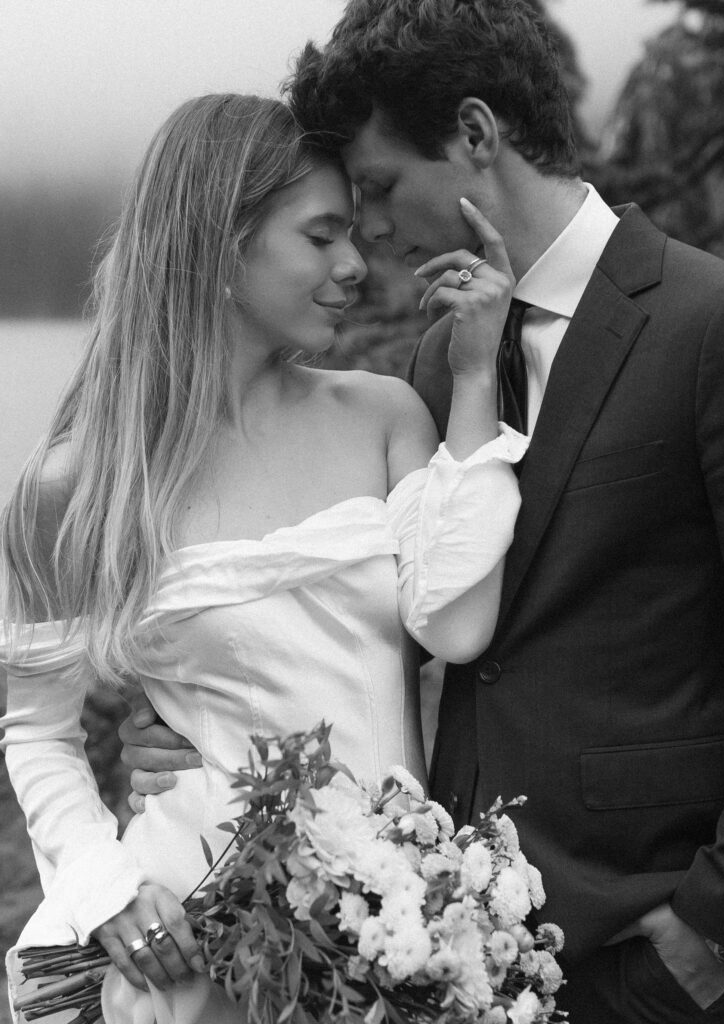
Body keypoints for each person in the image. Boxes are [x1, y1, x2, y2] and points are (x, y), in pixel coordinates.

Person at [120, 3, 724, 1021]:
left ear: (478, 134)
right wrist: (179, 710)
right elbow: (376, 626)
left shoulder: (708, 322)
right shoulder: (431, 368)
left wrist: (711, 928)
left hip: (656, 949)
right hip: (441, 951)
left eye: (377, 186)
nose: (367, 230)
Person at [0, 91, 528, 1024]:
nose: (355, 265)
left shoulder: (384, 415)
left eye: (354, 237)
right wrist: (103, 886)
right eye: (321, 236)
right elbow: (39, 731)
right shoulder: (77, 483)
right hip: (192, 940)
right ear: (222, 244)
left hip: (386, 938)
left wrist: (478, 374)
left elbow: (457, 619)